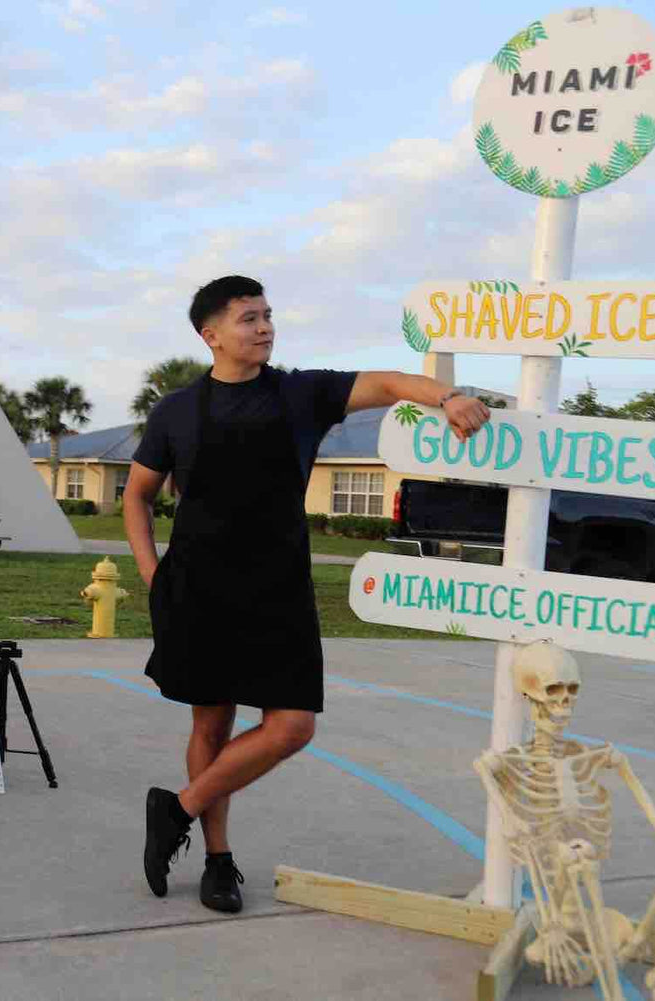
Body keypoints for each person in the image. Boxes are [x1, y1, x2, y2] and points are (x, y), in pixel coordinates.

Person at [123, 275, 491, 912]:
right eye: (247, 319)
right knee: (210, 721)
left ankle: (176, 808)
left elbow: (389, 382)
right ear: (211, 335)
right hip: (199, 588)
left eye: (268, 315)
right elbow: (137, 496)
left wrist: (448, 396)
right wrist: (151, 573)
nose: (264, 327)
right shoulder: (177, 411)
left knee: (292, 725)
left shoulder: (302, 393)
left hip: (277, 588)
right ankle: (217, 862)